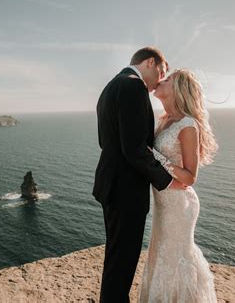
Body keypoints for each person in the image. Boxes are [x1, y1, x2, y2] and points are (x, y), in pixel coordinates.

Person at [92, 47, 187, 303]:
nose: (160, 79)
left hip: (110, 183)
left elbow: (106, 140)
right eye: (162, 72)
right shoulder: (133, 87)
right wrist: (167, 181)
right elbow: (134, 149)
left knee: (116, 255)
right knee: (123, 260)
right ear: (150, 63)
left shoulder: (112, 85)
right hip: (126, 190)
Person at [138, 69, 218, 302]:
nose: (161, 80)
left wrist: (156, 158)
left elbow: (190, 177)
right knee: (161, 255)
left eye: (168, 78)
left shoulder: (187, 124)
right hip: (164, 204)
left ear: (179, 89)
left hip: (180, 204)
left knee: (175, 257)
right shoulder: (163, 120)